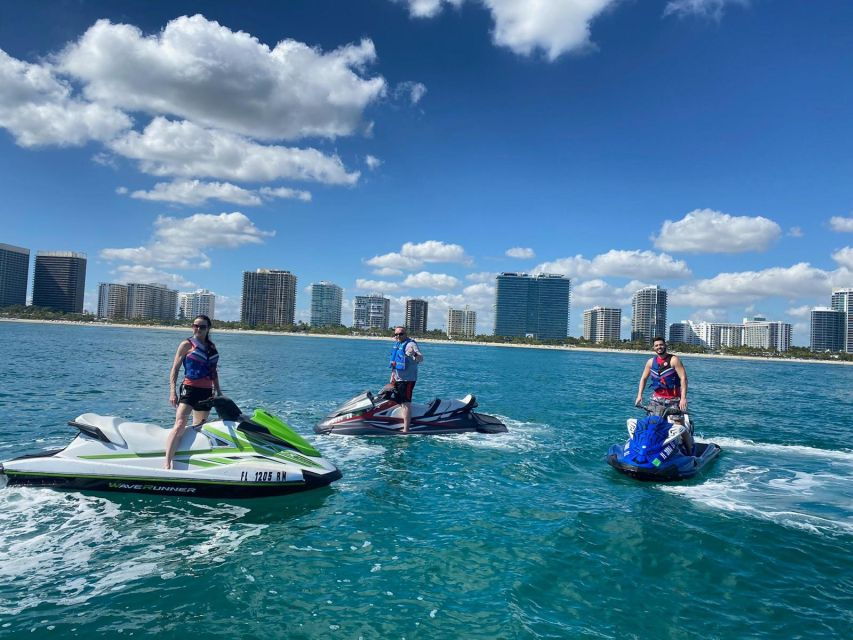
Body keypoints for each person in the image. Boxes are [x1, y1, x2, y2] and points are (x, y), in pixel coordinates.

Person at [165, 314, 221, 469]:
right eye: (195, 325)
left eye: (202, 326)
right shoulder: (186, 345)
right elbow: (175, 369)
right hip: (189, 389)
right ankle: (167, 463)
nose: (198, 329)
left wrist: (219, 392)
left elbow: (214, 372)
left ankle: (190, 460)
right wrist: (172, 391)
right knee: (180, 424)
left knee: (199, 426)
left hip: (206, 392)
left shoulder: (211, 347)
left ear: (208, 328)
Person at [635, 336, 693, 453]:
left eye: (661, 345)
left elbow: (683, 379)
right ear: (653, 348)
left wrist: (683, 398)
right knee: (652, 425)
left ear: (665, 345)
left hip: (674, 399)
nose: (659, 347)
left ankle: (691, 450)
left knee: (679, 426)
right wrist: (639, 395)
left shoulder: (674, 360)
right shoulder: (651, 362)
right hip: (656, 399)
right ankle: (652, 449)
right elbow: (644, 378)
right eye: (656, 345)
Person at [384, 326, 423, 433]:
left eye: (401, 334)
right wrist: (392, 377)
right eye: (396, 334)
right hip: (396, 379)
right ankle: (389, 420)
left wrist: (414, 354)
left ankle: (406, 430)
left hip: (407, 380)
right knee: (388, 397)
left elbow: (421, 358)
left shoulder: (411, 344)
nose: (398, 336)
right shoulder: (397, 345)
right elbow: (395, 363)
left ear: (405, 334)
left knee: (405, 403)